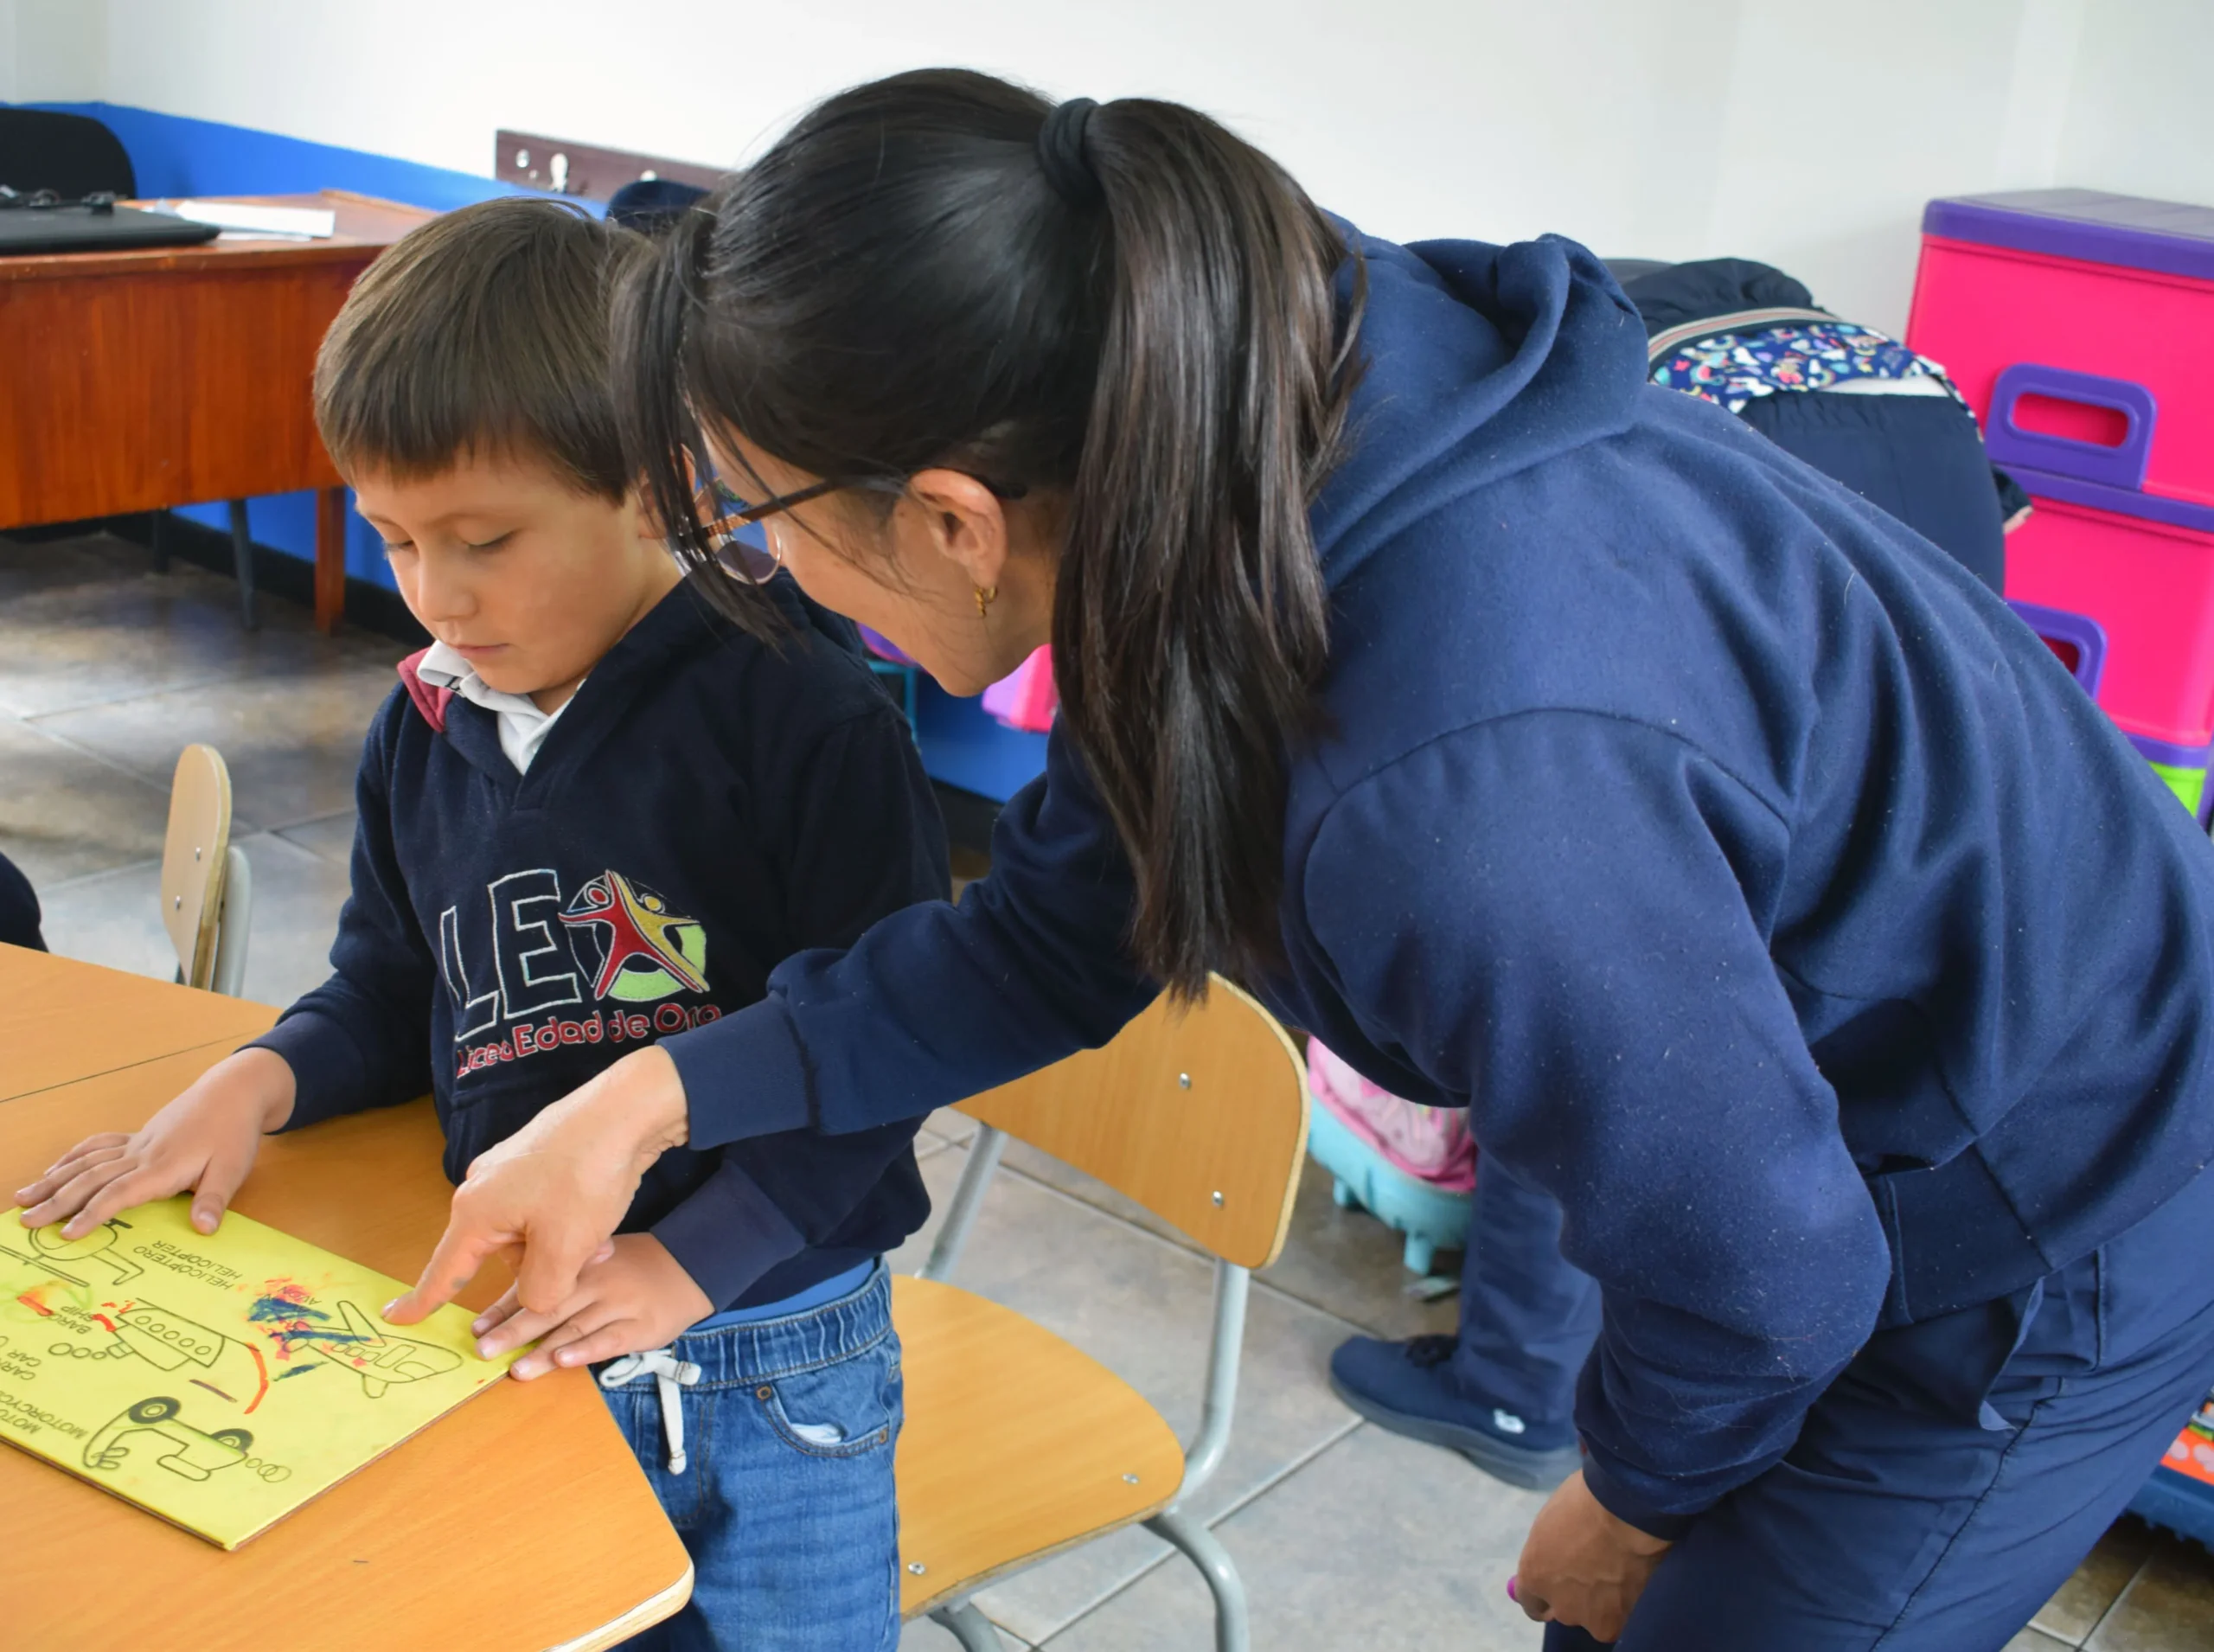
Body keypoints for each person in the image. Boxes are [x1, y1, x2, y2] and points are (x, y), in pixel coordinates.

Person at [368, 73, 2214, 1649]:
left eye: (750, 526)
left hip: (2058, 1185)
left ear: (948, 521)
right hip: (1820, 1128)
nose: (745, 577)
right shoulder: (1188, 435)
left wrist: (1637, 1497)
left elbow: (1754, 1271)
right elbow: (1051, 935)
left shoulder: (1446, 780)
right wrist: (656, 1097)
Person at [13, 198, 945, 1652]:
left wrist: (693, 1262)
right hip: (518, 1320)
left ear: (654, 486)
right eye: (393, 539)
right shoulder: (425, 724)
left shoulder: (805, 718)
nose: (437, 595)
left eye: (485, 539)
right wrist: (255, 1078)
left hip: (764, 1346)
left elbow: (881, 1059)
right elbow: (394, 986)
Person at [1328, 253, 2038, 1495]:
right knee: (1754, 1063)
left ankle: (1509, 1390)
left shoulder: (1580, 397)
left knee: (1585, 1017)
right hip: (1914, 692)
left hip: (1748, 635)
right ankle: (1780, 1367)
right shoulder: (1877, 366)